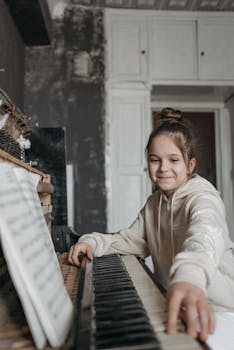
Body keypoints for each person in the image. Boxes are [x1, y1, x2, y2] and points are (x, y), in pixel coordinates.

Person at [68, 107, 234, 344]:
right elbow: (130, 240)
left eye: (174, 160)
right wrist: (93, 241)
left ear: (190, 165)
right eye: (155, 160)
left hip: (218, 310)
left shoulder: (204, 198)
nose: (163, 168)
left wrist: (190, 276)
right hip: (178, 304)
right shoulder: (154, 203)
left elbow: (205, 235)